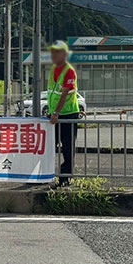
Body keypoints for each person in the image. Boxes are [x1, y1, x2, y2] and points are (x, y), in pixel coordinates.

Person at [47, 40, 80, 187]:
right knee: (48, 146)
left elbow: (65, 93)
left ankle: (65, 178)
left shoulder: (69, 71)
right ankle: (44, 175)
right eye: (52, 51)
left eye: (57, 52)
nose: (54, 54)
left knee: (67, 147)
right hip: (54, 114)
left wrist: (56, 113)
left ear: (65, 54)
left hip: (68, 114)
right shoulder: (53, 69)